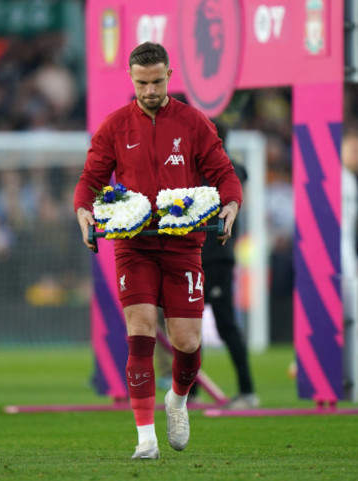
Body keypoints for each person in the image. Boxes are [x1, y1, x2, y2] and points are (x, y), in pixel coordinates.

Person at [74, 42, 242, 460]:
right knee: (141, 330)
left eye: (157, 81)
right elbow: (90, 179)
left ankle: (178, 401)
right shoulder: (115, 126)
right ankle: (145, 437)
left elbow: (224, 173)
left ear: (169, 76)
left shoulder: (193, 122)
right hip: (134, 246)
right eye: (142, 82)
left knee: (187, 343)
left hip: (185, 246)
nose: (149, 90)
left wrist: (232, 204)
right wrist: (82, 211)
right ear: (132, 79)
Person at [197, 119, 258, 409]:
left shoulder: (228, 169)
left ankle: (247, 392)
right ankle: (191, 393)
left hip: (217, 257)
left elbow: (239, 174)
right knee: (189, 325)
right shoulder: (197, 167)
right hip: (194, 256)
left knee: (225, 324)